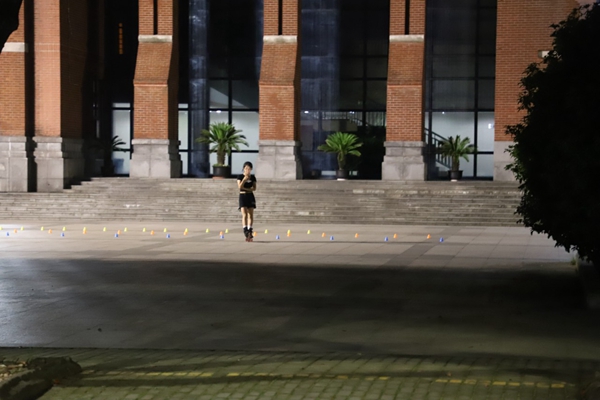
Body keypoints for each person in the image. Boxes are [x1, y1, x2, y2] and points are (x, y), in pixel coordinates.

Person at [237, 161, 257, 241]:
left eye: (249, 168)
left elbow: (254, 188)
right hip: (243, 196)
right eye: (246, 168)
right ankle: (245, 229)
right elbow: (239, 187)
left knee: (250, 214)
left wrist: (246, 189)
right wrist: (244, 180)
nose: (247, 170)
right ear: (243, 169)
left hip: (250, 196)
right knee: (244, 214)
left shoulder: (252, 177)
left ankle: (250, 230)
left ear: (251, 169)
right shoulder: (240, 176)